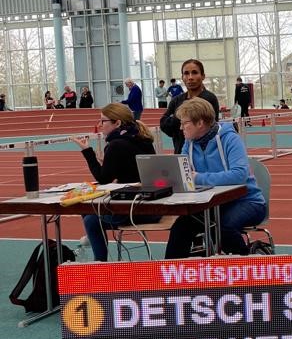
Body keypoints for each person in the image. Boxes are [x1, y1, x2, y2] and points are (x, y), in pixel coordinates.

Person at [164, 98, 266, 259]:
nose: (180, 127)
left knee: (222, 226)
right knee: (181, 227)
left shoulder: (230, 139)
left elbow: (239, 174)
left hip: (247, 201)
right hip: (212, 204)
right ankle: (170, 272)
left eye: (184, 123)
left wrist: (199, 178)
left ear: (200, 123)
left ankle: (246, 264)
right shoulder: (189, 143)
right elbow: (184, 172)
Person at [71, 103, 158, 261]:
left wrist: (87, 151)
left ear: (117, 123)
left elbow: (103, 179)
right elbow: (131, 170)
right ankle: (93, 238)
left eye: (103, 121)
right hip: (152, 205)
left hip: (133, 209)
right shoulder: (142, 138)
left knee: (90, 218)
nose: (99, 125)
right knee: (88, 210)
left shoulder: (116, 144)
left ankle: (100, 262)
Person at [160, 59, 219, 153]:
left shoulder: (209, 99)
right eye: (186, 73)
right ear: (182, 77)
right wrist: (182, 120)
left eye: (195, 73)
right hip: (180, 152)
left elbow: (206, 129)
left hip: (204, 153)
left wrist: (174, 118)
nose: (190, 77)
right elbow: (164, 126)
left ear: (203, 76)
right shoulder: (176, 100)